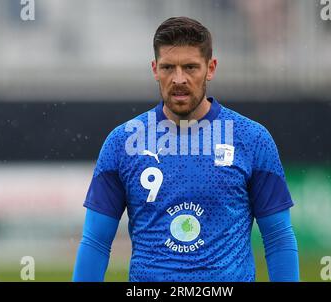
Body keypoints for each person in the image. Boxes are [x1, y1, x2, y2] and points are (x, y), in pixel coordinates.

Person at [72, 16, 299, 282]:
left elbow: (278, 238)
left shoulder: (252, 139)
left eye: (190, 67)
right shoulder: (123, 142)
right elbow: (96, 242)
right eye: (169, 67)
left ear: (210, 68)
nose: (179, 79)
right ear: (155, 69)